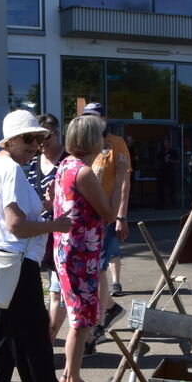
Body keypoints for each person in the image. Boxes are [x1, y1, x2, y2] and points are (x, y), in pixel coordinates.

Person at [0, 110, 89, 382]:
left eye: (39, 139)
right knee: (33, 333)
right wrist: (57, 224)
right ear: (10, 140)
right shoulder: (10, 169)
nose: (35, 146)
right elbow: (15, 225)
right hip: (13, 262)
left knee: (1, 335)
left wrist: (44, 206)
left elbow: (12, 217)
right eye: (29, 139)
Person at [53, 115, 116, 382]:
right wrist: (123, 179)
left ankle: (69, 376)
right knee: (81, 321)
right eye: (101, 135)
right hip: (82, 254)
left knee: (80, 317)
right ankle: (72, 381)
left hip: (69, 250)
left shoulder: (65, 165)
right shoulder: (83, 172)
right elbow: (108, 213)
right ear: (94, 139)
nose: (105, 140)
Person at [80, 102, 129, 353]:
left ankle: (97, 324)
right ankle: (108, 309)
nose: (92, 120)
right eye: (87, 116)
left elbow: (124, 181)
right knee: (95, 272)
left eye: (95, 116)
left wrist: (121, 215)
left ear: (104, 119)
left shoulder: (116, 143)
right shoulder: (82, 143)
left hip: (106, 217)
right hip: (85, 219)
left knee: (98, 270)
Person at [23, 113, 68, 341]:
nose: (41, 144)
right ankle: (88, 338)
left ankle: (48, 340)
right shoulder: (33, 163)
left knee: (57, 288)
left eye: (46, 138)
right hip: (41, 233)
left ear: (58, 134)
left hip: (62, 233)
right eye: (37, 139)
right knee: (52, 289)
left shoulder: (67, 162)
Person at [157, 137, 180, 209]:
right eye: (164, 143)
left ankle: (173, 205)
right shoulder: (161, 152)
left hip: (170, 173)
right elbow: (157, 160)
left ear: (169, 143)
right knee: (161, 190)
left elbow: (178, 161)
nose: (165, 144)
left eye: (166, 142)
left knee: (171, 190)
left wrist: (170, 160)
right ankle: (161, 206)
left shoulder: (173, 152)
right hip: (162, 173)